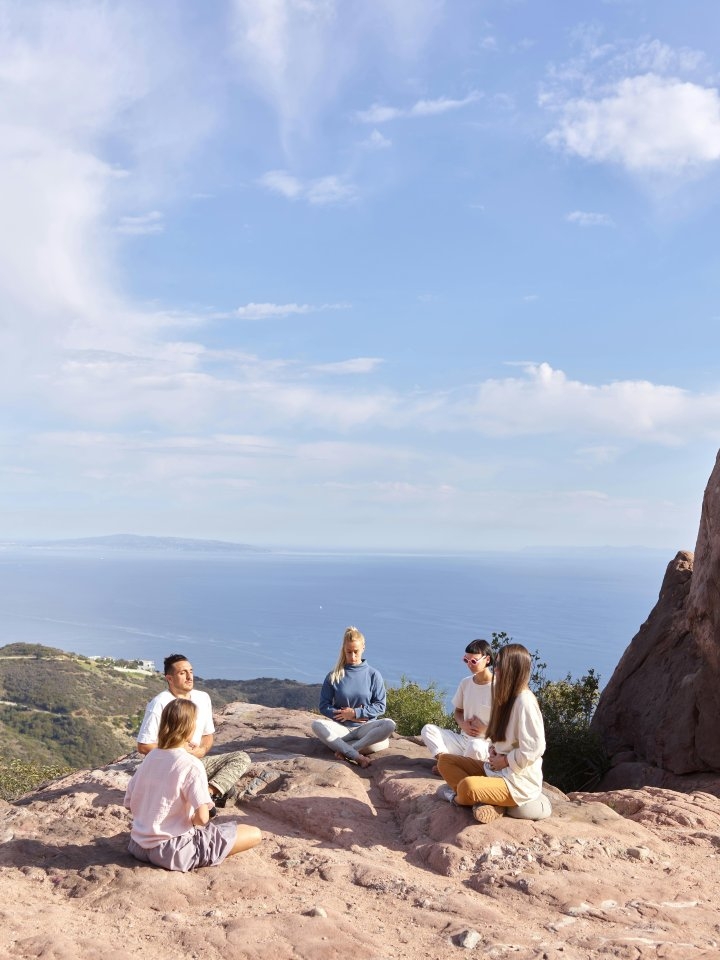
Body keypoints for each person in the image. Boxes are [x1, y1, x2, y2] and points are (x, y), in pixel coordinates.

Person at [124, 698, 261, 871]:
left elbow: (129, 802)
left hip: (137, 846)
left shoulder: (151, 757)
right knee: (254, 833)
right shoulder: (191, 764)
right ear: (189, 727)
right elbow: (202, 819)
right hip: (173, 852)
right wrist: (189, 822)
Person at [437, 643, 546, 824]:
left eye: (500, 665)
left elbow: (535, 748)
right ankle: (490, 801)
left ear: (512, 668)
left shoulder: (525, 701)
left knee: (467, 786)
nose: (495, 669)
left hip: (516, 781)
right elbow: (504, 737)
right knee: (445, 761)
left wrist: (506, 760)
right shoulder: (507, 696)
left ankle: (456, 798)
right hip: (496, 770)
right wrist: (494, 749)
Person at [136, 654, 251, 806]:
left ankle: (207, 793)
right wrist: (178, 752)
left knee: (241, 758)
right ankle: (203, 798)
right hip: (169, 766)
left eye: (191, 671)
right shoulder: (160, 703)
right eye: (182, 673)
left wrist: (201, 750)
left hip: (195, 760)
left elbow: (207, 735)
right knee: (228, 787)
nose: (190, 677)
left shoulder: (203, 698)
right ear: (169, 678)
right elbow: (143, 746)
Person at [311, 626, 396, 769]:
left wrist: (356, 713)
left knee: (389, 724)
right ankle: (356, 755)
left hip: (365, 729)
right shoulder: (334, 675)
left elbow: (380, 706)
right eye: (348, 652)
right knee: (316, 725)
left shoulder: (373, 675)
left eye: (356, 651)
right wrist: (345, 716)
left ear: (363, 648)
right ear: (343, 650)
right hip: (341, 728)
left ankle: (348, 750)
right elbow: (324, 706)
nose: (352, 656)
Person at [421, 639, 493, 771]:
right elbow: (458, 711)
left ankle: (453, 768)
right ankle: (445, 763)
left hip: (485, 744)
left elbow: (509, 725)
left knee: (475, 747)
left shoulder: (499, 687)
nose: (469, 665)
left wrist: (486, 729)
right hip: (463, 740)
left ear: (487, 659)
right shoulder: (466, 683)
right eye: (466, 660)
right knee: (428, 730)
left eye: (474, 661)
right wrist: (463, 724)